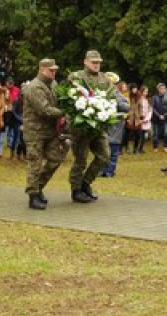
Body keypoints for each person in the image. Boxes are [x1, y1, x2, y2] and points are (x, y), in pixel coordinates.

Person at [68, 50, 115, 203]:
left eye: (98, 62)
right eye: (93, 62)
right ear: (85, 61)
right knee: (80, 159)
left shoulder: (105, 79)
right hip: (81, 128)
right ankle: (76, 190)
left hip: (98, 127)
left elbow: (112, 97)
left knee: (104, 156)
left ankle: (85, 183)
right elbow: (68, 99)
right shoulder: (76, 77)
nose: (96, 65)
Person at [24, 58, 67, 210]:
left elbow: (59, 101)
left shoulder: (53, 85)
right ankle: (33, 195)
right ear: (43, 70)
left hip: (50, 131)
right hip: (35, 131)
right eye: (51, 70)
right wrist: (65, 113)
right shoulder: (35, 87)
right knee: (35, 163)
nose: (54, 73)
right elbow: (44, 110)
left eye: (55, 70)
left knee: (56, 158)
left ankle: (38, 186)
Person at [102, 74, 131, 177]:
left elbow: (126, 107)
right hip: (105, 127)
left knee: (113, 150)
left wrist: (116, 101)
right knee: (104, 150)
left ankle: (110, 171)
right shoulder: (102, 94)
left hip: (116, 127)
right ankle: (103, 170)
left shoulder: (119, 95)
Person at [151, 83, 167, 152]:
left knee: (166, 134)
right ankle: (155, 147)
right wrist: (159, 115)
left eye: (164, 89)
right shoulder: (154, 97)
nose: (163, 90)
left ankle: (165, 146)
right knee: (155, 134)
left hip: (165, 119)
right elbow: (153, 108)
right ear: (158, 89)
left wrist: (164, 115)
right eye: (161, 89)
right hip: (156, 119)